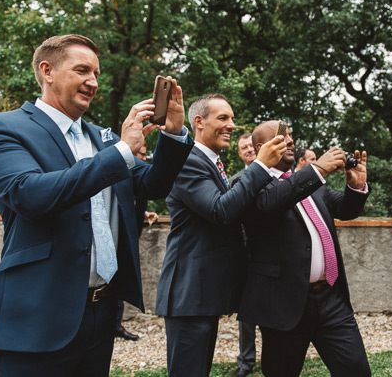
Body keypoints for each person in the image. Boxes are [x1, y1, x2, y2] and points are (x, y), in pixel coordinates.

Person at [0, 34, 193, 376]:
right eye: (83, 71)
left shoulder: (100, 137)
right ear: (47, 71)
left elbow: (153, 184)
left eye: (97, 74)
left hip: (100, 315)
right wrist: (121, 151)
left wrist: (173, 135)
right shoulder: (1, 127)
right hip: (37, 315)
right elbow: (27, 193)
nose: (93, 82)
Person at [154, 94, 287, 377]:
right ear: (199, 122)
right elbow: (220, 211)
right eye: (223, 118)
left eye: (232, 118)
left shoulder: (212, 163)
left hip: (204, 293)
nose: (231, 125)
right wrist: (261, 166)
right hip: (189, 294)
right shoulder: (186, 160)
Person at [238, 120, 371, 377]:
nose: (290, 141)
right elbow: (271, 203)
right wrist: (318, 168)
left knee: (357, 372)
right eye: (281, 136)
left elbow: (345, 209)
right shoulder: (251, 185)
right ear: (260, 147)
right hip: (284, 305)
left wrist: (356, 186)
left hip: (332, 301)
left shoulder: (309, 185)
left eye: (290, 135)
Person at [114, 140, 159, 341]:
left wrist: (145, 214)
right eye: (137, 154)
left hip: (130, 239)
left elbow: (130, 203)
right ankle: (112, 324)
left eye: (143, 155)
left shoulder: (138, 176)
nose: (141, 159)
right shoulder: (115, 174)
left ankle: (115, 324)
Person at [228, 132, 258, 377]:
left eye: (251, 145)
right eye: (243, 147)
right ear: (239, 153)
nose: (248, 149)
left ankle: (276, 357)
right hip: (244, 255)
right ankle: (246, 361)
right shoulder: (234, 180)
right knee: (246, 312)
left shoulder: (276, 176)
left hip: (272, 252)